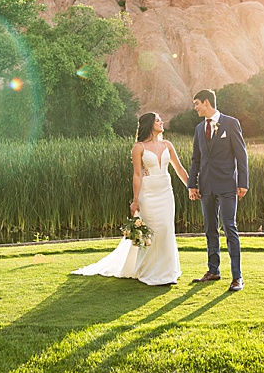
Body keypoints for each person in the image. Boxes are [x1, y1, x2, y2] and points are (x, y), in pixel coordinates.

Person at [72, 112, 188, 286]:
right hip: (148, 194)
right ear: (150, 124)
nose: (161, 122)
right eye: (157, 120)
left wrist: (192, 187)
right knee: (151, 231)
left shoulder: (167, 145)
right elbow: (137, 175)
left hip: (165, 192)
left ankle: (167, 272)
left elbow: (179, 168)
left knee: (166, 229)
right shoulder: (139, 147)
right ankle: (148, 272)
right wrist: (135, 200)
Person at [186, 89, 249, 292]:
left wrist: (243, 182)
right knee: (210, 229)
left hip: (228, 185)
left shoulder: (231, 123)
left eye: (197, 103)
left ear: (206, 102)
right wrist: (192, 185)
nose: (195, 107)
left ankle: (237, 277)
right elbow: (196, 159)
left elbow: (241, 155)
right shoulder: (198, 129)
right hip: (205, 186)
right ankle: (213, 270)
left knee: (229, 227)